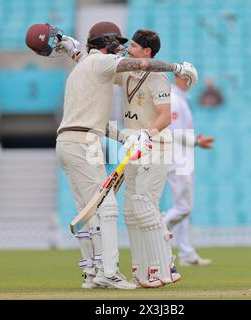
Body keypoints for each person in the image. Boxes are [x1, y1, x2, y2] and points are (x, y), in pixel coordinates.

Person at [26, 22, 197, 289]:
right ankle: (110, 272)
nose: (125, 46)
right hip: (87, 141)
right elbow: (123, 65)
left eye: (133, 45)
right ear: (106, 42)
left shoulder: (90, 67)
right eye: (118, 42)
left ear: (147, 50)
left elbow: (97, 65)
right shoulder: (107, 65)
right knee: (112, 209)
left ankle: (115, 271)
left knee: (114, 209)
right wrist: (178, 68)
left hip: (108, 143)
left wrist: (74, 49)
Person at [162, 74, 215, 267]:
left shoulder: (181, 99)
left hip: (183, 158)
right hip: (177, 159)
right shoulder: (174, 100)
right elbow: (173, 132)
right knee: (184, 207)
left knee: (184, 207)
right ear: (179, 78)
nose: (191, 82)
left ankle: (186, 252)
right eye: (188, 78)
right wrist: (196, 141)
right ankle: (157, 232)